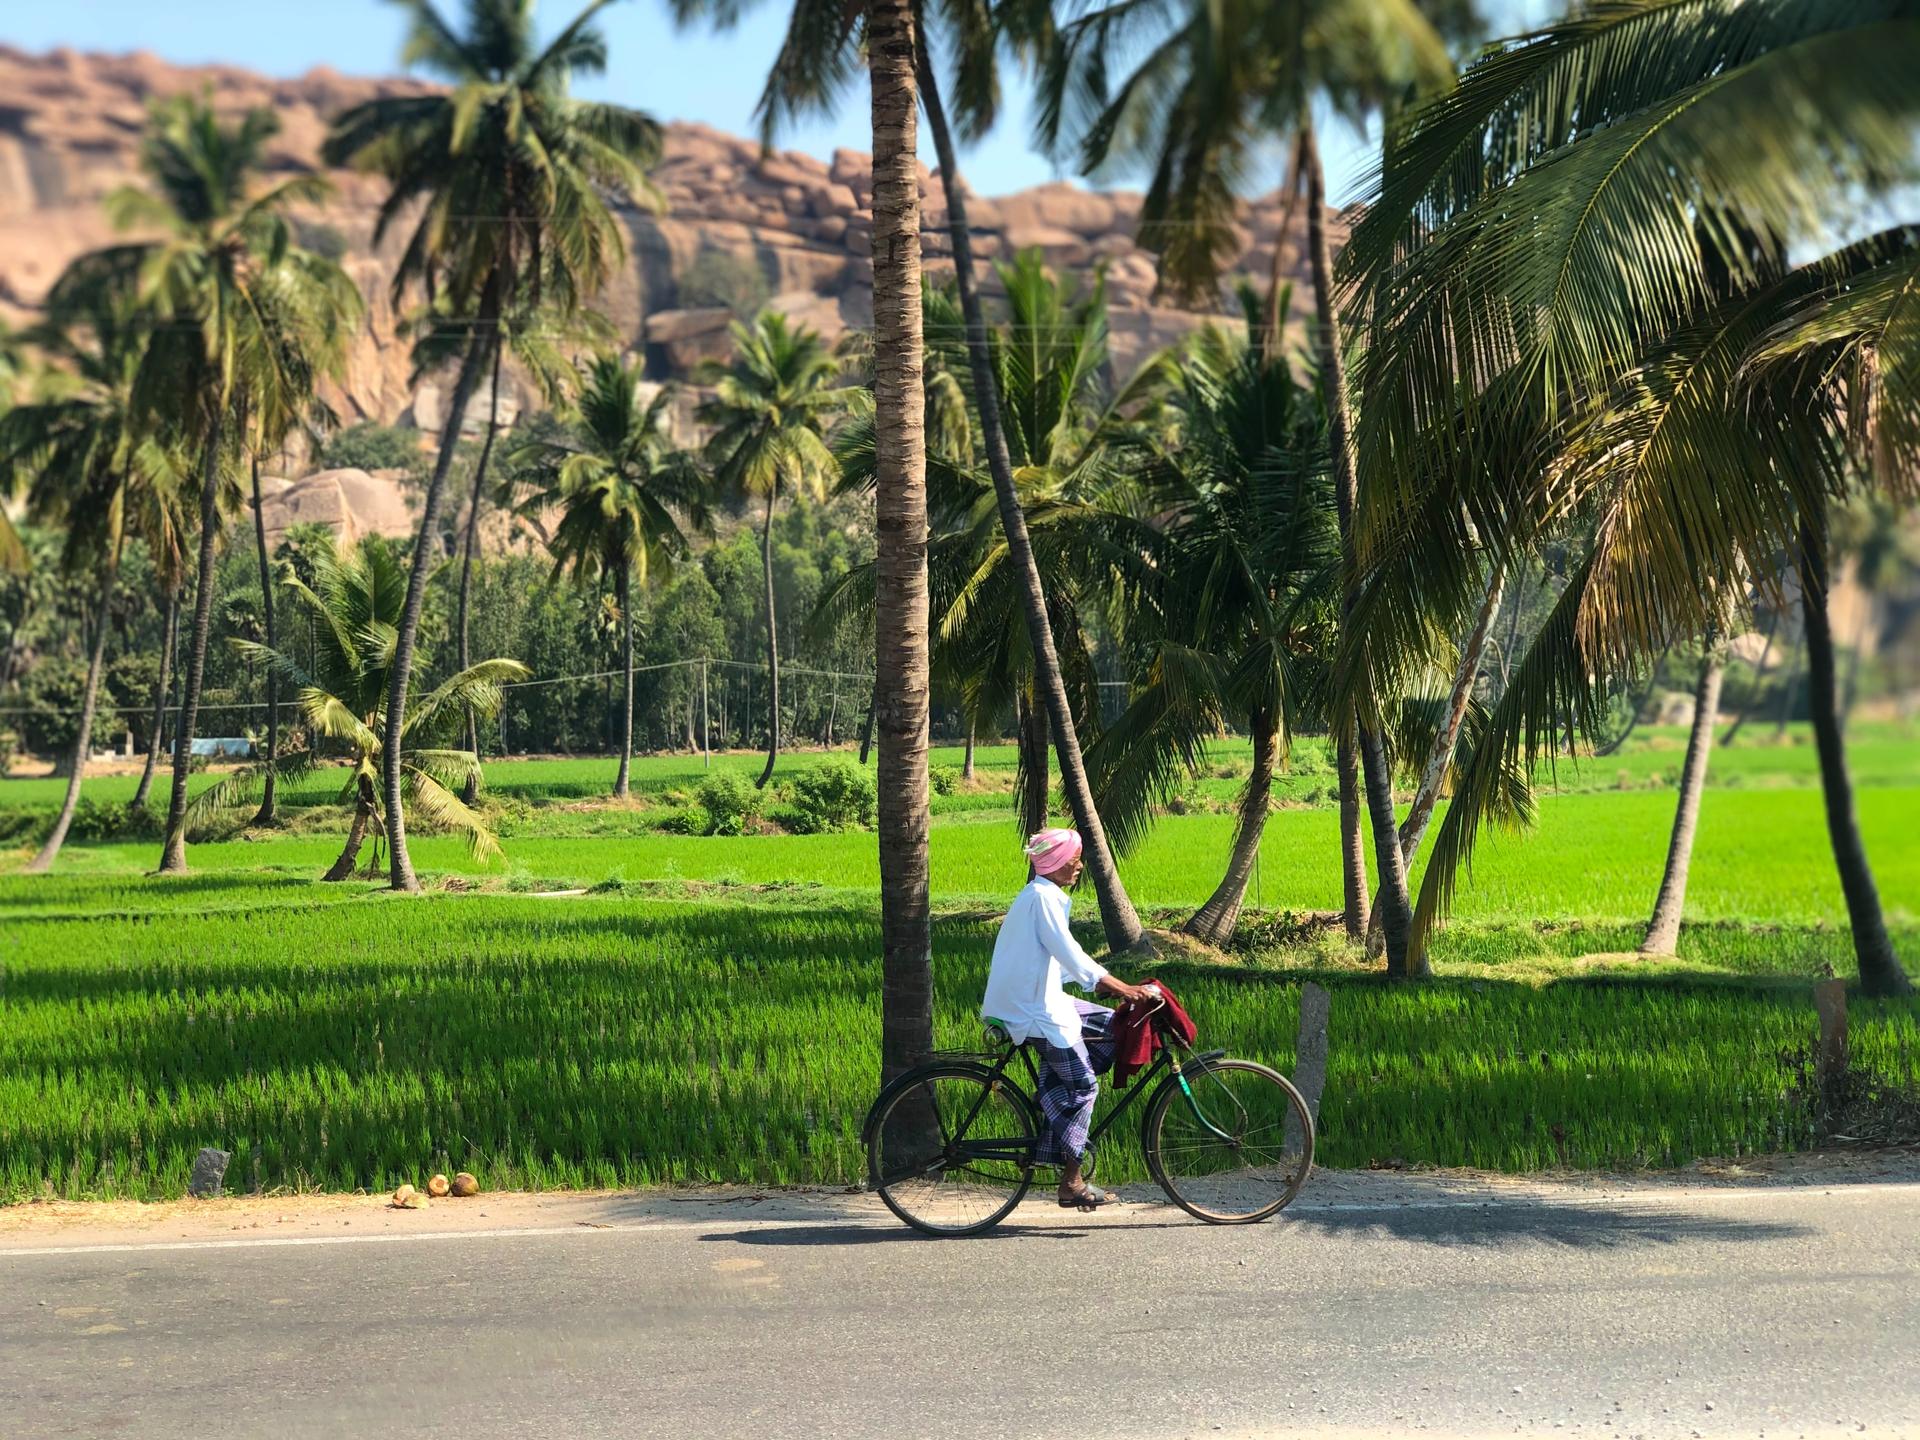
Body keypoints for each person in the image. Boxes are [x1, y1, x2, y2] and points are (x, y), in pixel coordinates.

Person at [980, 827, 1151, 1210]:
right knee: (1085, 1086)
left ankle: (1054, 1102)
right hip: (1031, 1009)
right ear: (1057, 863)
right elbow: (1069, 952)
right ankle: (1071, 1182)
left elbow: (1057, 962)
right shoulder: (1042, 899)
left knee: (1112, 1026)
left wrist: (1102, 983)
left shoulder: (1045, 897)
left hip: (1040, 998)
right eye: (1074, 860)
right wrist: (1119, 986)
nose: (1079, 866)